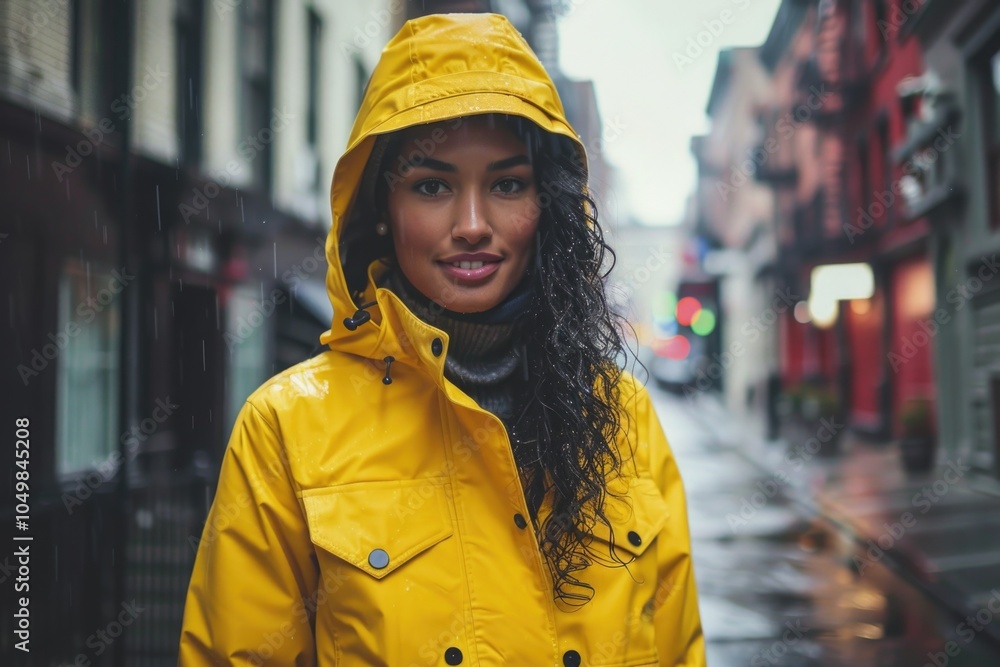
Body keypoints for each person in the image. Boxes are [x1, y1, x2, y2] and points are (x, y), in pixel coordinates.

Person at [179, 12, 704, 667]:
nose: (473, 224)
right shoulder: (287, 429)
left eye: (507, 184)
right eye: (432, 186)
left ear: (548, 205)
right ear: (382, 209)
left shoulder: (624, 418)